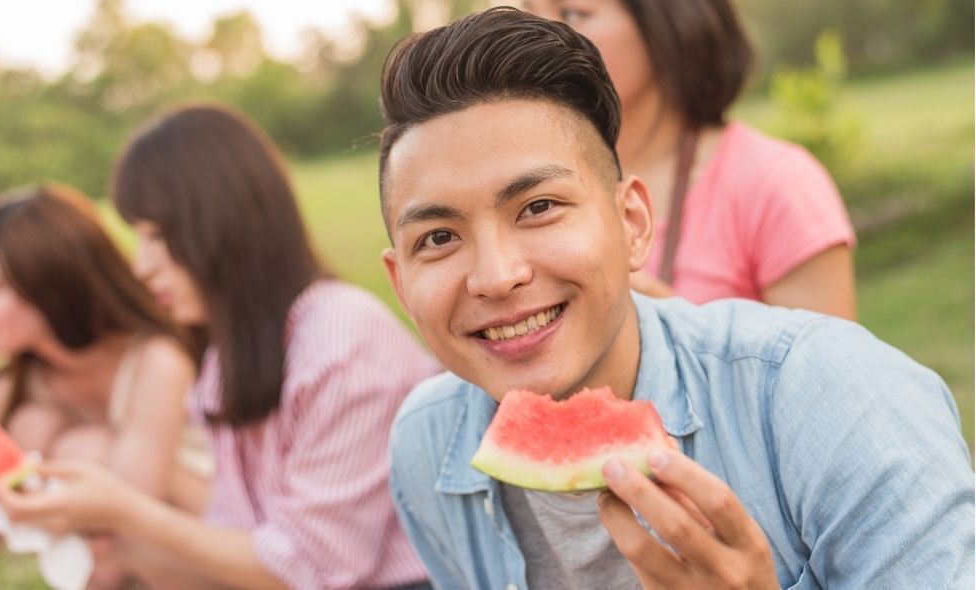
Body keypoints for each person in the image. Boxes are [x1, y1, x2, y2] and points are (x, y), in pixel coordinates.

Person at [375, 8, 972, 589]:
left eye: (538, 207)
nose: (496, 276)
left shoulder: (835, 402)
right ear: (401, 285)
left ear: (632, 223)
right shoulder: (425, 445)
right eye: (439, 238)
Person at [0, 104, 440, 589]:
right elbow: (242, 536)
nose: (142, 266)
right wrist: (118, 541)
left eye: (156, 237)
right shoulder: (228, 357)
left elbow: (311, 569)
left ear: (220, 225)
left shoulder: (341, 340)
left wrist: (127, 512)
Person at [523, 0, 857, 319]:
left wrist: (677, 331)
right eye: (528, 14)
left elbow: (828, 373)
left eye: (572, 12)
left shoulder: (776, 183)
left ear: (666, 24)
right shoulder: (523, 183)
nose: (538, 38)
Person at [0, 185, 201, 585]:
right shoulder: (21, 383)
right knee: (33, 425)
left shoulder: (157, 361)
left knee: (80, 448)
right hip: (121, 560)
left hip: (208, 546)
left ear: (47, 284)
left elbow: (123, 521)